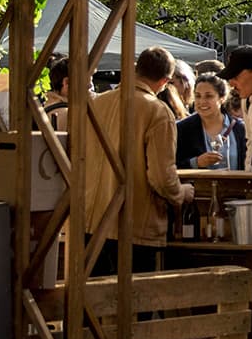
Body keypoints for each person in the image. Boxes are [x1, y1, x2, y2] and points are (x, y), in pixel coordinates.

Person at [81, 46, 194, 274]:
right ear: (165, 82)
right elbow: (161, 177)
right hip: (133, 226)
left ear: (136, 69)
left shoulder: (97, 103)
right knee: (135, 293)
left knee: (94, 293)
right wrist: (181, 193)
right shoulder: (157, 112)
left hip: (91, 221)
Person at [176, 73, 245, 170]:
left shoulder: (240, 128)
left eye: (209, 96)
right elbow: (172, 165)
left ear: (222, 98)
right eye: (198, 96)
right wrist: (196, 162)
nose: (202, 101)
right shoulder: (182, 129)